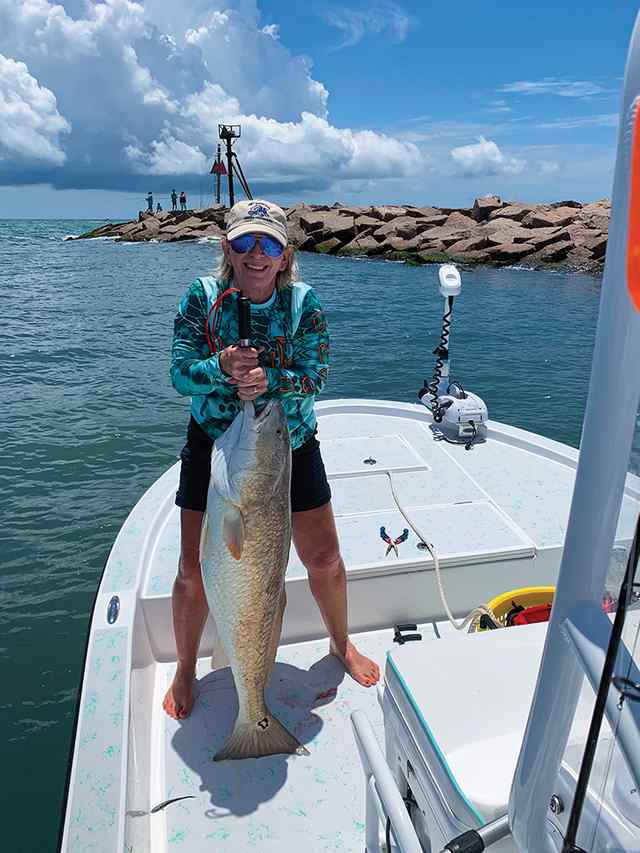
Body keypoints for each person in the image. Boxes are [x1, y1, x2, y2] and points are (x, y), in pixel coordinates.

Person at [164, 199, 380, 720]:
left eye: (269, 244)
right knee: (191, 569)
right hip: (215, 448)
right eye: (245, 242)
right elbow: (179, 373)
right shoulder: (204, 296)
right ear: (227, 248)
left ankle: (340, 643)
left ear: (285, 255)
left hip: (289, 445)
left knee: (323, 558)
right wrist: (219, 365)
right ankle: (185, 667)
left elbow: (317, 375)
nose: (256, 254)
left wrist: (271, 380)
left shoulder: (304, 302)